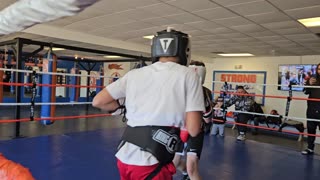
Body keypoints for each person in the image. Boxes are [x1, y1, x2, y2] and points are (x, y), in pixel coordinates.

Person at [92, 28, 204, 180]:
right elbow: (193, 129)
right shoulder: (189, 75)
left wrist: (125, 108)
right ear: (185, 49)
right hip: (152, 162)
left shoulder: (135, 74)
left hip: (124, 156)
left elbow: (98, 101)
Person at [173, 61, 213, 180]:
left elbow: (207, 119)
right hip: (179, 129)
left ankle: (189, 172)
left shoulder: (205, 92)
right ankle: (185, 171)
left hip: (196, 131)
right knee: (173, 164)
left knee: (192, 168)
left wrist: (204, 110)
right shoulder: (177, 89)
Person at [301, 63, 320, 155]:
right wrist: (309, 83)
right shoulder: (312, 78)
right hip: (312, 109)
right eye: (319, 69)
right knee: (311, 130)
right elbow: (305, 91)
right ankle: (310, 148)